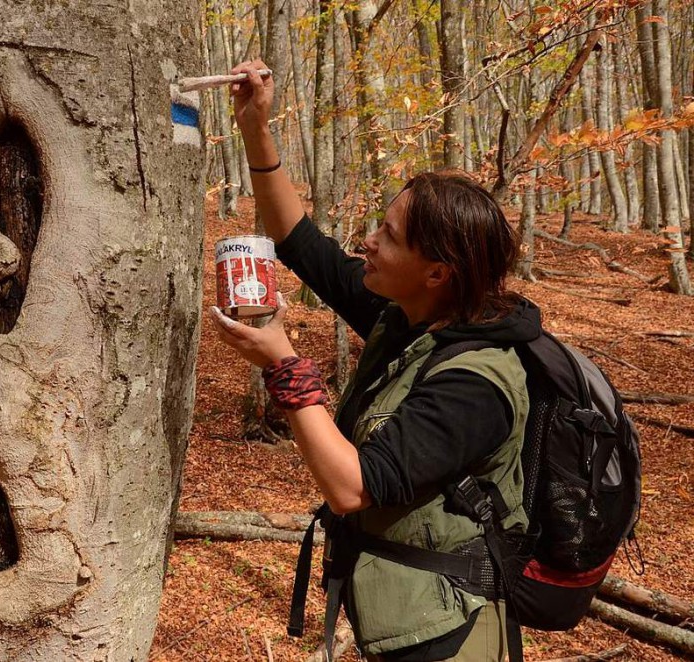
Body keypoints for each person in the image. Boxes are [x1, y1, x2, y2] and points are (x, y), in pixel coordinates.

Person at [209, 60, 543, 662]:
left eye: (387, 235)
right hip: (406, 619)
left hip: (449, 634)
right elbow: (298, 240)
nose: (368, 240)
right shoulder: (412, 317)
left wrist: (283, 362)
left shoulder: (477, 383)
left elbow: (351, 486)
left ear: (437, 271)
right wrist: (255, 125)